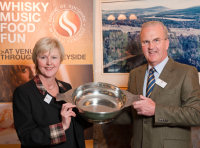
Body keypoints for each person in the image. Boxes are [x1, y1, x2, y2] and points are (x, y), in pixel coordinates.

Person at [127, 21, 200, 148]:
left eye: (156, 40)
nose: (151, 46)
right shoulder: (135, 74)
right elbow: (130, 115)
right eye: (146, 42)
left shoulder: (186, 72)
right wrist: (98, 112)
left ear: (167, 43)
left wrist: (157, 110)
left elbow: (196, 114)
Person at [13, 37, 90, 148]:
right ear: (36, 59)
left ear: (60, 60)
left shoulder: (66, 87)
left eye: (54, 57)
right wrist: (62, 127)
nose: (49, 63)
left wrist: (85, 113)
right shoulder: (23, 93)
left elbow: (76, 126)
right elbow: (26, 138)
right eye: (43, 57)